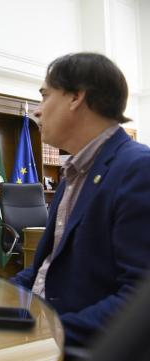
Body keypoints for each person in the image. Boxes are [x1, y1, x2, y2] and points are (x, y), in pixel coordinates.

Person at [12, 52, 150, 346]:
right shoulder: (74, 173)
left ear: (76, 97)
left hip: (83, 353)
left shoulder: (139, 169)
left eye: (45, 96)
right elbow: (46, 269)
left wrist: (48, 335)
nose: (37, 111)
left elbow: (139, 300)